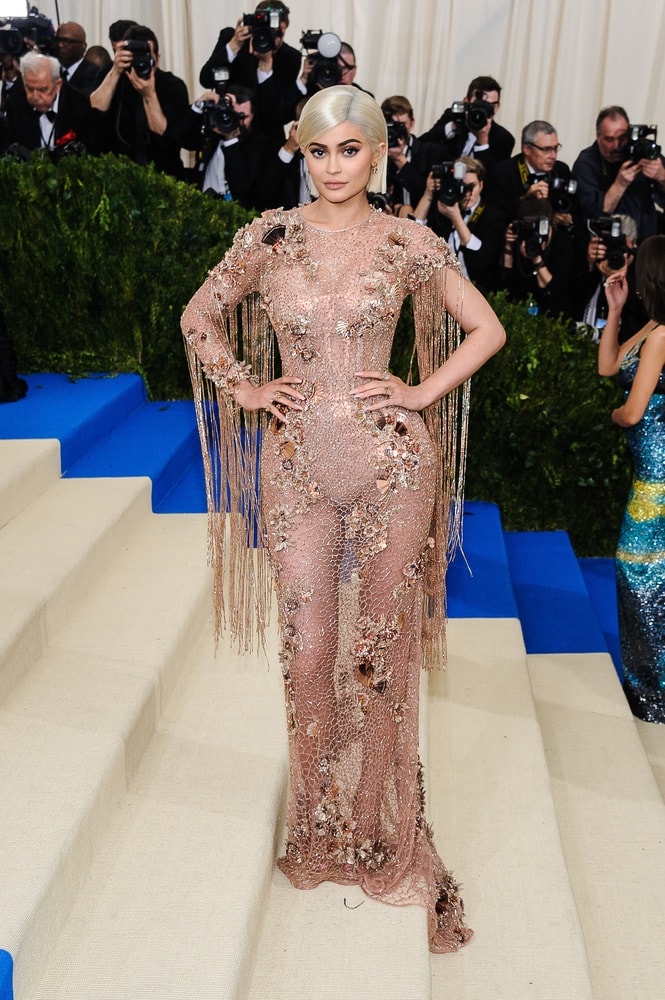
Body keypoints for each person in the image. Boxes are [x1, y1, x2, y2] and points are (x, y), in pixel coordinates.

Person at [181, 85, 505, 952]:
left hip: (395, 467)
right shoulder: (268, 237)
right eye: (319, 151)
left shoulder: (405, 240)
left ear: (377, 154)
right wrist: (247, 388)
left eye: (349, 150)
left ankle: (373, 830)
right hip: (293, 472)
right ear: (300, 152)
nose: (333, 167)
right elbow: (198, 316)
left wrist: (419, 391)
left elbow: (485, 329)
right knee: (310, 648)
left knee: (374, 652)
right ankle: (317, 820)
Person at [598, 236, 665, 723]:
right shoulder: (652, 328)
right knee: (646, 571)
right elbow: (608, 366)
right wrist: (614, 310)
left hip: (658, 478)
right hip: (651, 472)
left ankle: (652, 692)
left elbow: (633, 411)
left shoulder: (663, 335)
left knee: (637, 570)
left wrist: (618, 416)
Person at [90, 24, 189, 178]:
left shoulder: (173, 85)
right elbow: (94, 110)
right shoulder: (110, 74)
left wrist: (149, 94)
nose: (141, 63)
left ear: (158, 58)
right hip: (116, 175)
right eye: (134, 57)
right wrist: (115, 72)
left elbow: (165, 135)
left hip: (163, 176)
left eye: (147, 57)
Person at [411, 156, 506, 295]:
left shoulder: (493, 216)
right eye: (461, 186)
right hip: (440, 292)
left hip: (478, 294)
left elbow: (483, 261)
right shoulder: (441, 207)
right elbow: (412, 234)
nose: (467, 193)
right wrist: (428, 193)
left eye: (471, 186)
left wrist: (456, 219)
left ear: (481, 185)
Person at [573, 106, 665, 241]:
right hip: (607, 243)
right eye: (609, 140)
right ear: (598, 137)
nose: (616, 146)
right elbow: (590, 215)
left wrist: (662, 177)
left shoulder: (641, 150)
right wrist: (620, 185)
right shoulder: (586, 163)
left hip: (645, 238)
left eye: (622, 138)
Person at [419, 75, 514, 181]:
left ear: (497, 107)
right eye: (478, 104)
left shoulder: (504, 139)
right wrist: (452, 127)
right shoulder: (452, 117)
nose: (482, 110)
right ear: (466, 102)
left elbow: (492, 180)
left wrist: (483, 142)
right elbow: (421, 145)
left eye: (489, 106)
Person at [1, 51, 96, 154]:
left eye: (43, 89)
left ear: (58, 85)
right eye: (29, 88)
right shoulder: (15, 104)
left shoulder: (78, 104)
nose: (35, 97)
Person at [487, 119, 574, 227]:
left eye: (555, 148)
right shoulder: (503, 172)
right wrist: (525, 199)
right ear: (527, 149)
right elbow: (493, 214)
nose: (553, 156)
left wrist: (568, 219)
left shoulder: (561, 170)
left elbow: (574, 208)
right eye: (546, 149)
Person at [501, 193, 574, 317]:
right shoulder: (521, 239)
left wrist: (537, 259)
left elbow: (556, 291)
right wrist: (508, 246)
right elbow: (506, 285)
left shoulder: (563, 242)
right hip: (524, 314)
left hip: (555, 317)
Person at [381, 94, 446, 212]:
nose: (396, 131)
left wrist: (400, 160)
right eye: (391, 125)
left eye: (401, 125)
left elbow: (429, 194)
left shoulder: (431, 152)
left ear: (412, 123)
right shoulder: (376, 155)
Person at [53, 21, 103, 96]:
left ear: (83, 46)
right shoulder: (52, 71)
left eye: (66, 41)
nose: (60, 45)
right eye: (57, 40)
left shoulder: (95, 74)